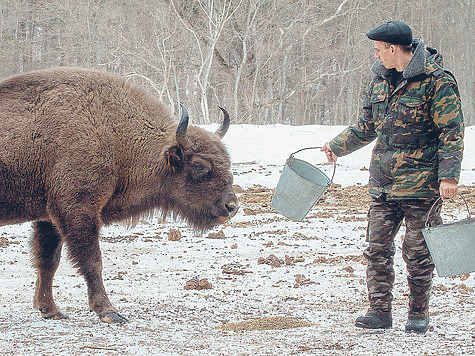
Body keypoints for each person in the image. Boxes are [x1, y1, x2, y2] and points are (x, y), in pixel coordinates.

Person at [322, 20, 464, 333]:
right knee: (376, 249)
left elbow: (451, 133)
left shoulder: (436, 81)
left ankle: (417, 313)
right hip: (383, 184)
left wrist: (449, 177)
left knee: (417, 253)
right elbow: (366, 127)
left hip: (422, 186)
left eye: (378, 50)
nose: (376, 56)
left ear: (393, 48)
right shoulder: (378, 81)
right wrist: (336, 147)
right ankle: (379, 312)